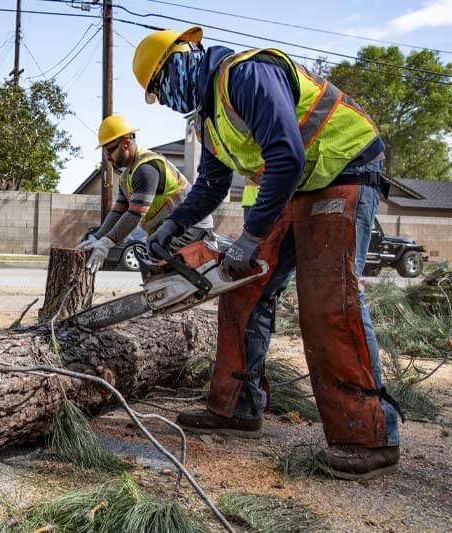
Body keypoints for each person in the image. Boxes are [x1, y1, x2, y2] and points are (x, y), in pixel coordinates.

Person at [134, 27, 401, 480]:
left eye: (161, 85)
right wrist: (170, 227)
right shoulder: (209, 117)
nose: (165, 97)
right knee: (241, 291)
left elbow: (286, 154)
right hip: (296, 184)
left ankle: (368, 435)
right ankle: (238, 406)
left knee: (328, 301)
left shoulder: (245, 74)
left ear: (182, 57)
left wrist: (251, 237)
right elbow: (212, 184)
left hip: (344, 168)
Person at [79, 114, 214, 274]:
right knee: (151, 261)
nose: (108, 157)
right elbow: (117, 212)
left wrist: (107, 243)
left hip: (191, 226)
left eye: (110, 150)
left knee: (157, 262)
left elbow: (135, 214)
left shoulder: (146, 168)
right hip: (173, 227)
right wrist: (98, 237)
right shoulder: (126, 178)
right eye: (105, 152)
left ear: (126, 144)